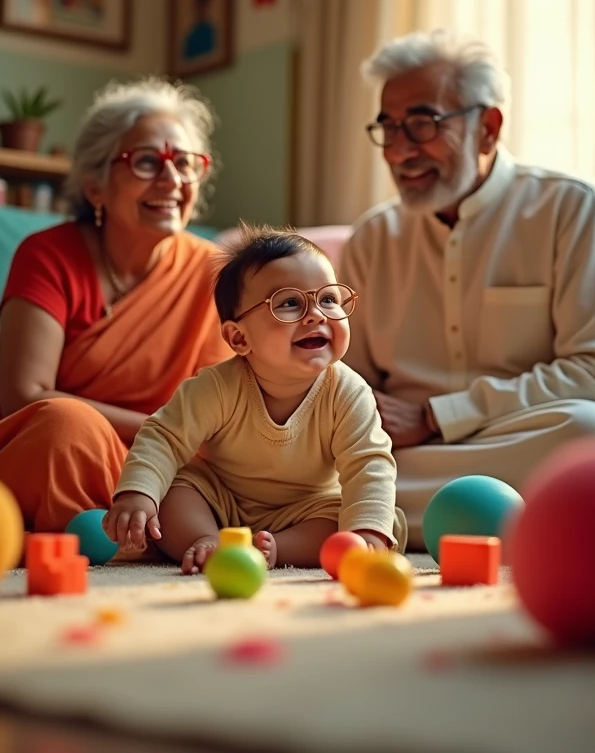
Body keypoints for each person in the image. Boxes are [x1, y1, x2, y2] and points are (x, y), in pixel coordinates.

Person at [340, 29, 595, 548]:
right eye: (388, 128)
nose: (398, 152)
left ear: (488, 127)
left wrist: (439, 416)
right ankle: (522, 519)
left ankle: (367, 517)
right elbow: (348, 385)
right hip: (403, 456)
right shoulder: (372, 238)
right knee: (323, 457)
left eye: (421, 124)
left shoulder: (575, 208)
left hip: (525, 435)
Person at [0, 78, 231, 533]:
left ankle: (121, 529)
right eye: (148, 161)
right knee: (68, 426)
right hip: (47, 449)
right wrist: (162, 428)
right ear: (95, 186)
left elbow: (220, 413)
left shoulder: (215, 273)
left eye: (186, 164)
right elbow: (25, 395)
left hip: (160, 463)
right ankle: (128, 531)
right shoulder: (47, 254)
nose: (172, 179)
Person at [103, 225, 405, 572]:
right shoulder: (216, 386)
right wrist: (137, 494)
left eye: (328, 299)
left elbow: (369, 464)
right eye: (289, 303)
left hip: (307, 508)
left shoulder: (349, 393)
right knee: (174, 491)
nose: (316, 314)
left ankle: (277, 549)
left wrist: (366, 532)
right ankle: (206, 541)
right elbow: (164, 438)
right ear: (238, 338)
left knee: (370, 517)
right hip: (219, 500)